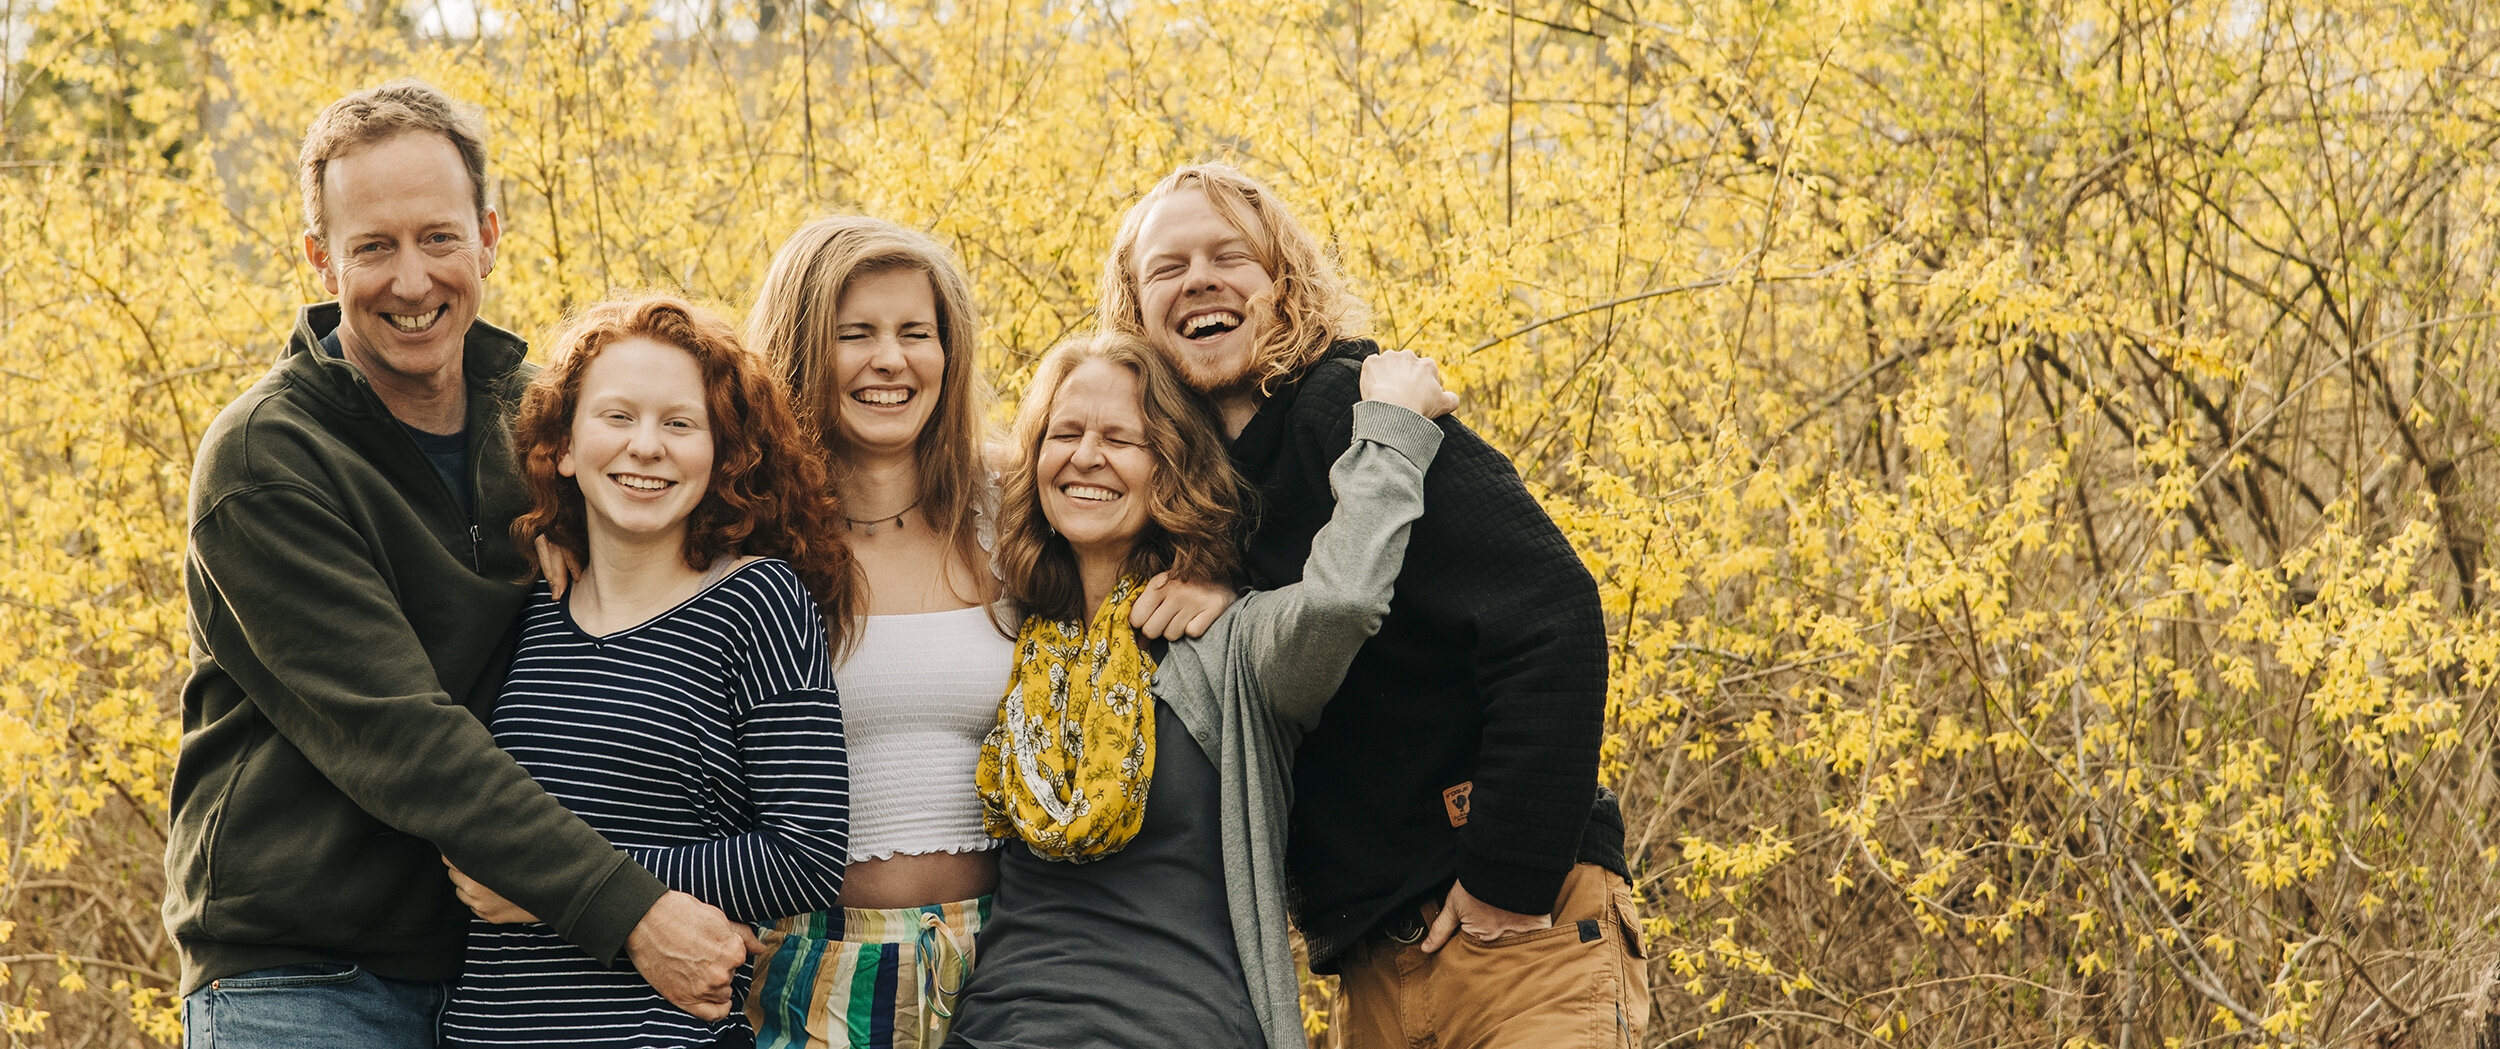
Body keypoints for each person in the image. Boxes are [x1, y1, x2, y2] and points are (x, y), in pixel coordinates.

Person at [163, 81, 757, 1047]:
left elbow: (692, 598)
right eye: (373, 246)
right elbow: (405, 740)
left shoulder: (552, 433)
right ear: (318, 258)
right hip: (308, 978)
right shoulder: (264, 462)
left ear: (488, 234)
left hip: (515, 967)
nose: (412, 280)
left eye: (439, 237)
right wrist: (637, 911)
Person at [1101, 162, 1649, 1048]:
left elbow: (1554, 613)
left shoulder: (1352, 406)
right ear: (1135, 311)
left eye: (1227, 255)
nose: (1198, 277)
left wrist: (1504, 879)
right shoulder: (1201, 493)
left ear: (1284, 284)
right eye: (1167, 267)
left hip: (1515, 930)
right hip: (1375, 968)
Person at [732, 216, 1240, 1048]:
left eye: (915, 333)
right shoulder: (744, 534)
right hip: (819, 966)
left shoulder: (1010, 505)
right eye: (853, 333)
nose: (889, 360)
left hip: (1009, 965)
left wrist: (1206, 572)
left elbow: (1154, 494)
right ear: (801, 347)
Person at [940, 333, 1452, 1049]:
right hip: (997, 1028)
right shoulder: (1012, 639)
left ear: (1172, 467)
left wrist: (1392, 432)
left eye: (1122, 438)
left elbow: (1342, 602)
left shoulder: (1231, 647)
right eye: (1065, 433)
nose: (1087, 455)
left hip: (1178, 1026)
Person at [438, 295, 853, 1047]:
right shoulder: (522, 607)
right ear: (564, 446)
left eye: (679, 423)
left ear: (722, 454)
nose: (647, 446)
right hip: (485, 1031)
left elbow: (806, 853)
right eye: (618, 416)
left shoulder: (755, 602)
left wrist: (556, 883)